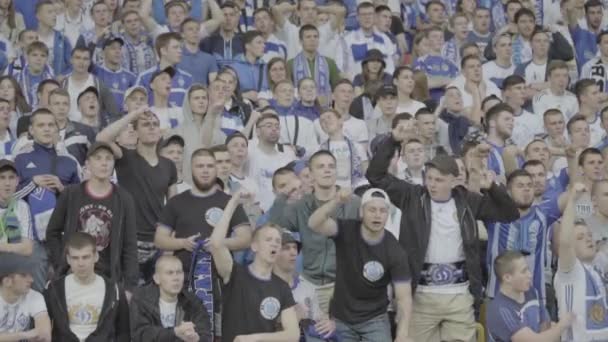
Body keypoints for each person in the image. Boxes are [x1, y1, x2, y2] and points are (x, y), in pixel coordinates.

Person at [366, 123, 519, 342]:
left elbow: (509, 213)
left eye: (439, 180)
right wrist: (392, 140)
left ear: (453, 179)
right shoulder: (412, 197)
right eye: (429, 178)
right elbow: (376, 176)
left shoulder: (467, 201)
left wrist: (492, 187)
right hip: (421, 295)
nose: (432, 185)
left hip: (459, 294)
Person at [308, 187, 413, 341]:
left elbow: (404, 297)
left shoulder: (395, 250)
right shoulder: (345, 230)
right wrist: (336, 200)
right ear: (361, 212)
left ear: (387, 215)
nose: (377, 215)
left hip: (375, 320)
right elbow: (314, 223)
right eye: (372, 210)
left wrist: (402, 334)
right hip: (341, 319)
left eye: (382, 211)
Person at [96, 107, 177, 284]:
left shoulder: (168, 165)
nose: (151, 127)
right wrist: (133, 115)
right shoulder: (125, 157)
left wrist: (171, 239)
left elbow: (173, 205)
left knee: (155, 296)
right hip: (130, 240)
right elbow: (102, 138)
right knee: (130, 295)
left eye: (155, 124)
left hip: (158, 241)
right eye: (146, 124)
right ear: (136, 131)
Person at [207, 191, 300, 342]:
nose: (275, 243)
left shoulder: (282, 287)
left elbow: (293, 335)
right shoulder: (235, 273)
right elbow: (216, 244)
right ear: (254, 246)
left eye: (278, 241)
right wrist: (234, 202)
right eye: (268, 239)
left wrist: (255, 338)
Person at [46, 141, 138, 290]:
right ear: (87, 164)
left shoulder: (124, 199)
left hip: (109, 276)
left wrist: (129, 287)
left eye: (108, 158)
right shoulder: (71, 194)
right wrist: (62, 263)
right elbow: (52, 232)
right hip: (74, 272)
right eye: (98, 158)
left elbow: (130, 245)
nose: (104, 163)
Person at [14, 108, 80, 291]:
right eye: (41, 125)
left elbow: (82, 199)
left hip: (64, 238)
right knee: (38, 290)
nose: (47, 129)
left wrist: (62, 189)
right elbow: (7, 198)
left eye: (51, 125)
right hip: (33, 241)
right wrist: (32, 184)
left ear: (57, 130)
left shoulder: (70, 161)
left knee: (66, 289)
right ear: (31, 130)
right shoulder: (20, 159)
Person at [44, 232, 130, 341]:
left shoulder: (114, 289)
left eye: (86, 257)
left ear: (95, 257)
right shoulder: (54, 289)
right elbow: (42, 328)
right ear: (68, 259)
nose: (81, 263)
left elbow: (123, 332)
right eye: (75, 258)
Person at [555, 183, 608, 341]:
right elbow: (564, 240)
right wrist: (572, 200)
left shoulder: (596, 270)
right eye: (580, 237)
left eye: (589, 235)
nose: (588, 239)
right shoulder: (570, 270)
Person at [486, 250, 574, 341]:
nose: (530, 275)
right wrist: (562, 325)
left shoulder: (531, 292)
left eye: (528, 269)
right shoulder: (500, 309)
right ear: (507, 278)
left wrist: (554, 330)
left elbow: (546, 326)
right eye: (524, 271)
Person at [129, 255, 212, 342]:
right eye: (170, 273)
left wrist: (196, 338)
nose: (176, 278)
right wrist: (175, 332)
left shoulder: (193, 302)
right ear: (157, 279)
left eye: (179, 272)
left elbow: (205, 334)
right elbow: (141, 335)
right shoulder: (141, 299)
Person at [247, 113, 296, 211]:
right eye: (269, 126)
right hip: (257, 211)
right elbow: (234, 144)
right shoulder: (249, 153)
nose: (274, 129)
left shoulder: (288, 157)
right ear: (257, 131)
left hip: (284, 211)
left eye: (277, 126)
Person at [0, 253, 51, 342]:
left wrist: (40, 336)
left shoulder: (35, 296)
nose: (31, 280)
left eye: (30, 274)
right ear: (7, 281)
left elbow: (45, 333)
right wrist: (24, 335)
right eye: (23, 275)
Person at [136, 32, 193, 108]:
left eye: (180, 48)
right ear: (163, 51)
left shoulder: (187, 78)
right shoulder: (145, 77)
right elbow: (136, 106)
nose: (180, 51)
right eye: (175, 47)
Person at [0, 159, 32, 258]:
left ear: (17, 181)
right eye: (2, 178)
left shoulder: (22, 206)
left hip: (13, 260)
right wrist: (17, 247)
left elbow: (28, 249)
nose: (7, 183)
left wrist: (3, 247)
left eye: (11, 178)